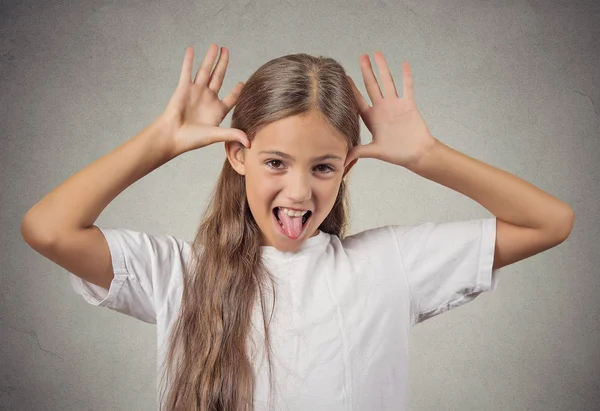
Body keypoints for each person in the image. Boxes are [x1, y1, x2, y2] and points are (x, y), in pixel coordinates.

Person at [21, 43, 574, 411]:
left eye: (324, 167)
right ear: (237, 157)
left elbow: (550, 221)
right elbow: (48, 228)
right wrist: (160, 141)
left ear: (348, 168)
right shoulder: (179, 275)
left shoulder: (389, 265)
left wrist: (427, 155)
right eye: (276, 162)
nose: (299, 192)